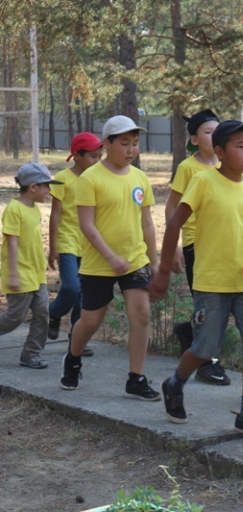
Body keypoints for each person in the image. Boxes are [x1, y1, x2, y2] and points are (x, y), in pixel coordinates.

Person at [150, 120, 243, 441]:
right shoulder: (204, 181)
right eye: (239, 146)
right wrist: (164, 270)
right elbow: (175, 224)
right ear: (219, 152)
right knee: (203, 349)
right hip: (211, 284)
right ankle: (175, 383)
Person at [60, 115, 160, 401]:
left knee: (141, 314)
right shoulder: (91, 178)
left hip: (134, 259)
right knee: (91, 321)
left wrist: (153, 261)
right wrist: (110, 256)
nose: (131, 150)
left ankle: (136, 378)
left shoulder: (140, 178)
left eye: (136, 144)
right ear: (107, 144)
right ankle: (73, 357)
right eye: (124, 143)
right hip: (99, 263)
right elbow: (87, 225)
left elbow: (148, 224)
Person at [166, 109, 231, 386]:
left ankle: (188, 333)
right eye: (207, 131)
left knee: (224, 304)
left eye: (217, 129)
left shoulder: (230, 165)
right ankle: (207, 362)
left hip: (226, 243)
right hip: (197, 244)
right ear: (194, 138)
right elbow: (172, 206)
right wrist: (175, 247)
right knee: (207, 305)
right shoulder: (188, 168)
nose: (213, 134)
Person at [1, 163, 62, 369]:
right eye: (46, 186)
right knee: (15, 317)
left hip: (37, 273)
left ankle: (31, 353)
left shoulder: (34, 209)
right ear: (33, 187)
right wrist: (12, 273)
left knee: (43, 313)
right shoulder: (14, 209)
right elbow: (12, 242)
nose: (49, 191)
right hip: (19, 272)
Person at [48, 132, 103, 357]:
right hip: (67, 241)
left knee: (83, 295)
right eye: (92, 157)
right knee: (72, 287)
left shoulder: (99, 178)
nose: (96, 162)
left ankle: (75, 339)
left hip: (89, 244)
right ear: (77, 156)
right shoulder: (62, 178)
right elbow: (55, 215)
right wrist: (53, 247)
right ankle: (53, 313)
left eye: (100, 157)